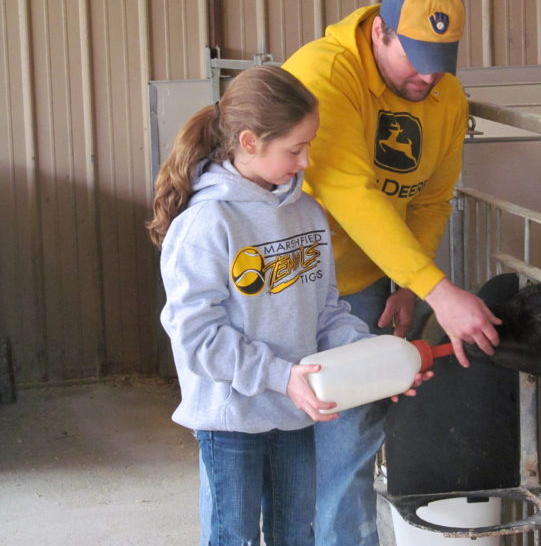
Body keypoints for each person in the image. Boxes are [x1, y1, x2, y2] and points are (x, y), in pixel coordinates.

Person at [283, 0, 501, 546]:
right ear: (379, 31)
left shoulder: (445, 97)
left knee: (350, 441)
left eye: (442, 59)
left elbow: (429, 198)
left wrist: (403, 284)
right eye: (417, 57)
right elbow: (349, 193)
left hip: (362, 286)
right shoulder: (323, 74)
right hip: (286, 284)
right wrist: (436, 288)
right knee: (275, 440)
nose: (428, 75)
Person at [146, 65, 373, 546]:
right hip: (231, 420)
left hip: (294, 413)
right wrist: (279, 376)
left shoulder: (307, 213)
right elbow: (196, 338)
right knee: (235, 538)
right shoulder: (208, 222)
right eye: (295, 149)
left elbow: (326, 310)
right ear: (249, 142)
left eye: (309, 145)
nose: (307, 161)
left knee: (297, 535)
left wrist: (372, 362)